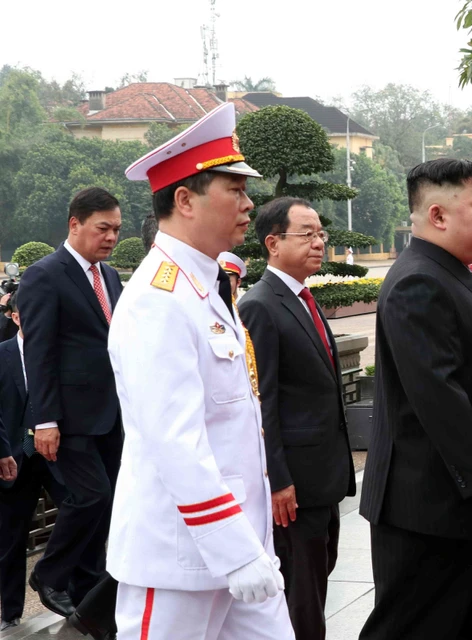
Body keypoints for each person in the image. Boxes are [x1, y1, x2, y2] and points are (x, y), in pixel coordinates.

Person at [110, 102, 293, 639]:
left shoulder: (201, 285)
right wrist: (234, 550)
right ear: (185, 200)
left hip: (239, 545)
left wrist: (245, 547)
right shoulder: (156, 297)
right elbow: (174, 438)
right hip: (178, 558)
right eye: (234, 189)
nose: (248, 203)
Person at [358, 159, 472, 639]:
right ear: (438, 216)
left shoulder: (449, 274)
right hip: (435, 512)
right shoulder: (419, 282)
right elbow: (435, 392)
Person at [238, 197, 356, 640]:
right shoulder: (260, 306)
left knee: (317, 581)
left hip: (323, 477)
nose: (319, 242)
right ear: (272, 243)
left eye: (321, 233)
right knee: (300, 598)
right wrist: (277, 480)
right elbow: (260, 401)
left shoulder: (304, 297)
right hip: (294, 487)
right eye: (306, 234)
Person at [17, 188, 124, 625]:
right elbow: (38, 352)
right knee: (90, 496)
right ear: (74, 224)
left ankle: (89, 595)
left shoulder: (112, 277)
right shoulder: (45, 275)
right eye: (103, 228)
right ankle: (48, 572)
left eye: (117, 229)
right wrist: (44, 419)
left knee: (110, 502)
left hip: (112, 415)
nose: (112, 237)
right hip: (68, 417)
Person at [0, 292, 68, 632]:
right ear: (15, 318)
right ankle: (9, 612)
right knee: (11, 537)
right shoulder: (2, 355)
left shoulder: (60, 353)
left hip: (58, 454)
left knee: (83, 508)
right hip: (16, 455)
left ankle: (58, 581)